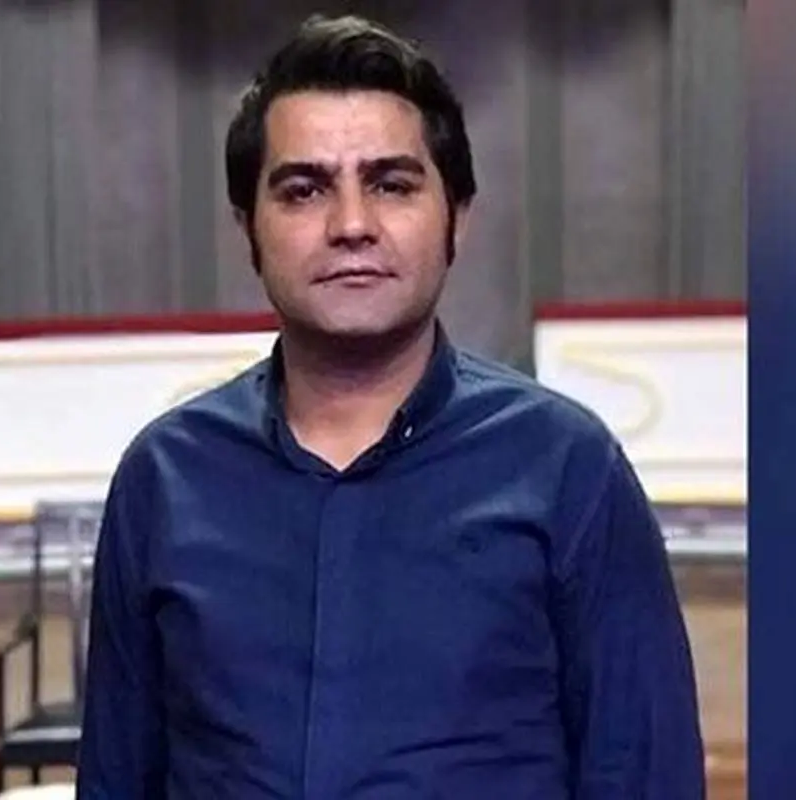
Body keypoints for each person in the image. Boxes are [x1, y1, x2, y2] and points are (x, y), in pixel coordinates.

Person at [76, 13, 705, 799]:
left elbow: (644, 773)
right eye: (304, 190)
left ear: (457, 217)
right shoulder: (164, 480)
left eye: (392, 185)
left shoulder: (568, 469)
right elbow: (117, 778)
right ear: (248, 229)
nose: (351, 226)